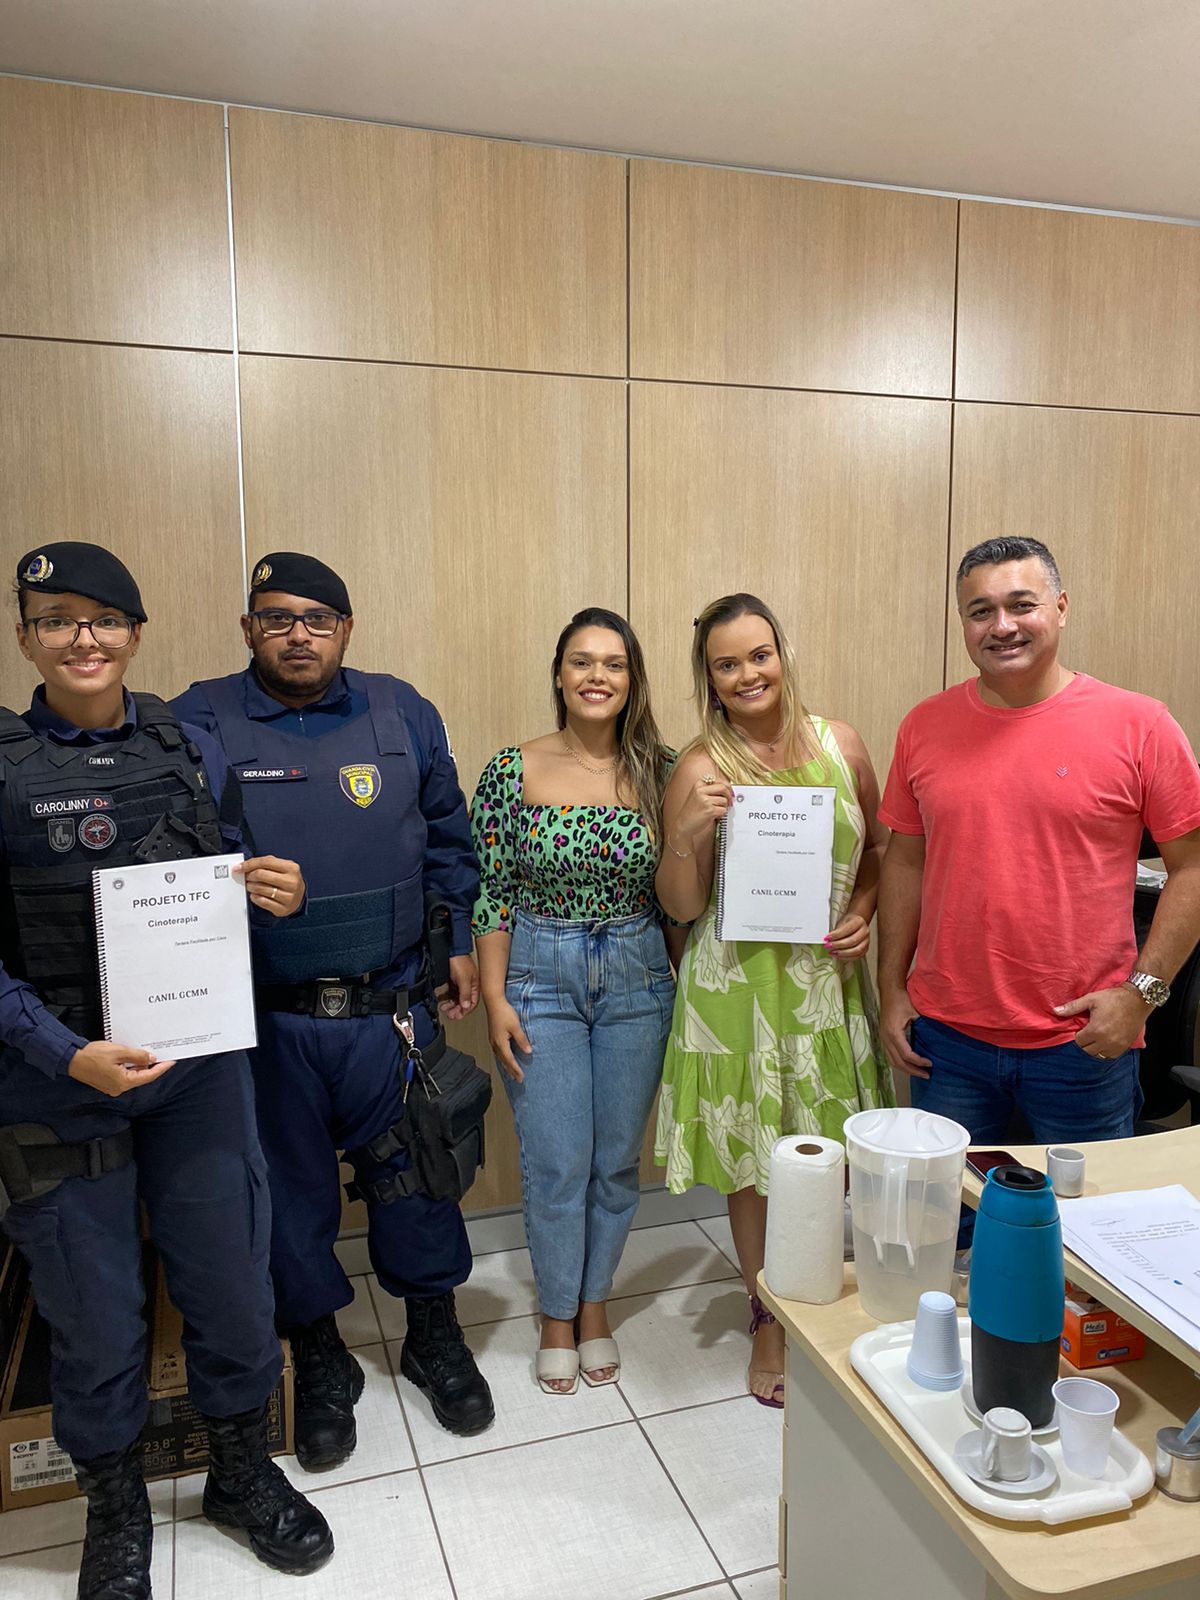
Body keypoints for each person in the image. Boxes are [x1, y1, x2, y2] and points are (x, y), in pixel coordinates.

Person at [0, 542, 332, 1600]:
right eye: (57, 619)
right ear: (26, 640)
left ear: (136, 632)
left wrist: (257, 882)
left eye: (104, 617)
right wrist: (66, 1052)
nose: (83, 637)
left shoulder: (188, 744)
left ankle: (238, 1474)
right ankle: (116, 1510)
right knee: (92, 1311)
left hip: (195, 1072)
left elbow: (208, 866)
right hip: (56, 1082)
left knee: (232, 1281)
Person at [173, 551, 493, 1468]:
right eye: (277, 617)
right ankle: (319, 1357)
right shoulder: (198, 719)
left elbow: (447, 839)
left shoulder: (402, 711)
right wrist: (228, 876)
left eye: (317, 618)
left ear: (346, 628)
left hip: (390, 1012)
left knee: (422, 1178)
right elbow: (167, 856)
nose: (298, 633)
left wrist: (457, 939)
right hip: (268, 1026)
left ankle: (433, 1333)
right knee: (288, 1202)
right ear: (248, 630)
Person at [878, 536, 1200, 1161]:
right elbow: (905, 860)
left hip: (1083, 1041)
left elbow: (1191, 868)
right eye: (980, 611)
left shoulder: (1141, 725)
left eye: (1021, 605)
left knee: (1083, 1235)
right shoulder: (924, 725)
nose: (1002, 626)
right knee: (958, 1229)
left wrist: (1142, 995)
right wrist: (892, 988)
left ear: (1060, 607)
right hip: (948, 1042)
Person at [655, 593, 893, 1408]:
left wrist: (862, 915)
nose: (748, 673)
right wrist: (687, 830)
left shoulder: (844, 745)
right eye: (728, 664)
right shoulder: (699, 765)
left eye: (760, 655)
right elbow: (681, 907)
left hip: (824, 985)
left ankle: (815, 1293)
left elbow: (879, 857)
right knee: (755, 1165)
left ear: (782, 655)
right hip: (735, 992)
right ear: (711, 681)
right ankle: (765, 1317)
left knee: (827, 1155)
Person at [471, 607, 676, 1394]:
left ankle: (595, 1306)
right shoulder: (510, 769)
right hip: (537, 975)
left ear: (632, 680)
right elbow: (490, 889)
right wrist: (494, 995)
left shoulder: (663, 769)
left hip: (636, 972)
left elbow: (682, 893)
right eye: (581, 662)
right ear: (558, 674)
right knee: (558, 1163)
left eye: (614, 664)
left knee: (615, 1163)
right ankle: (556, 1315)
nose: (597, 677)